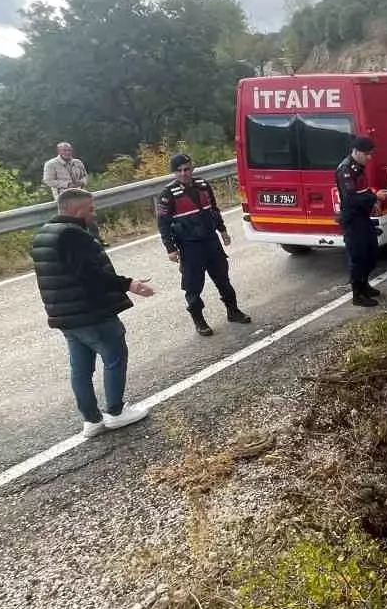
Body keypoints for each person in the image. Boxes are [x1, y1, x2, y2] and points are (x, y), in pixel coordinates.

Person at [30, 188, 154, 437]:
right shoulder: (72, 234)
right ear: (77, 210)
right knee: (114, 357)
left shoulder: (44, 233)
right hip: (90, 312)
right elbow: (90, 275)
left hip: (65, 316)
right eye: (90, 209)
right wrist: (129, 284)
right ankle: (116, 412)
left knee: (81, 369)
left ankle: (92, 420)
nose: (93, 214)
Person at [155, 153, 252, 337]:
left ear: (192, 168)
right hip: (190, 247)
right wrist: (170, 249)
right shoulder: (167, 195)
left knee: (223, 280)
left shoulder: (203, 185)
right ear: (174, 172)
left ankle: (233, 312)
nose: (184, 173)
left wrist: (223, 231)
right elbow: (163, 225)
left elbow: (214, 210)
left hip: (211, 242)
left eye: (187, 169)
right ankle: (199, 321)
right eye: (179, 170)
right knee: (193, 288)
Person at [336, 136, 387, 307]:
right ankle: (357, 295)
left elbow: (363, 190)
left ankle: (365, 284)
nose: (369, 158)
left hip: (363, 217)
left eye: (371, 154)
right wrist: (375, 197)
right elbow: (351, 199)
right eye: (367, 154)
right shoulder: (346, 170)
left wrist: (373, 201)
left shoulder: (358, 167)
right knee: (358, 257)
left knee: (371, 253)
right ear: (356, 151)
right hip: (353, 220)